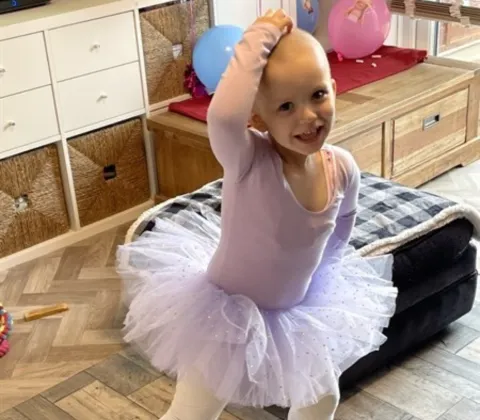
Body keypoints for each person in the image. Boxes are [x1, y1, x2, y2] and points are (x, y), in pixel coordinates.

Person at [116, 9, 398, 420]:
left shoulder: (342, 168)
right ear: (256, 118)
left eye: (318, 94)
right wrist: (262, 34)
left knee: (322, 400)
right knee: (193, 414)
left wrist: (324, 274)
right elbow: (222, 116)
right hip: (224, 317)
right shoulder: (249, 161)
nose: (307, 116)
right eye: (285, 106)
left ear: (335, 89)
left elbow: (341, 229)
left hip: (298, 312)